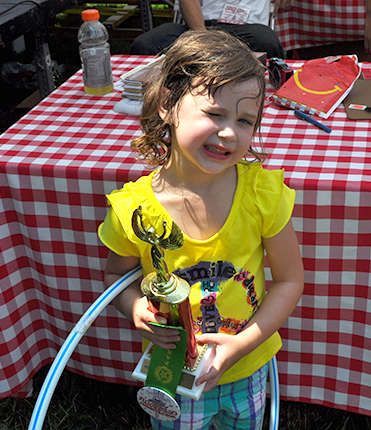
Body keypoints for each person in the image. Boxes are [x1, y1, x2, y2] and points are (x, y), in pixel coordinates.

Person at [98, 30, 304, 429]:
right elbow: (115, 278)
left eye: (245, 120)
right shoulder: (135, 210)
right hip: (172, 376)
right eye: (214, 113)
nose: (229, 132)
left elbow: (289, 280)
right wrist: (134, 307)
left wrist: (241, 345)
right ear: (166, 105)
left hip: (246, 365)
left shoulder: (262, 194)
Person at [130, 0, 292, 58]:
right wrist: (202, 35)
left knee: (267, 43)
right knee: (146, 44)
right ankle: (147, 98)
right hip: (201, 25)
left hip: (247, 28)